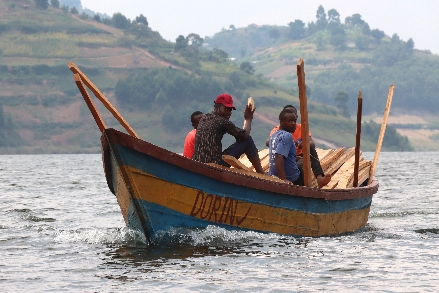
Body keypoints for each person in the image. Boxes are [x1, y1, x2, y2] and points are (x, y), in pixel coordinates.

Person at [193, 93, 264, 174]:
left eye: (230, 110)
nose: (229, 113)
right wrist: (248, 119)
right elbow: (245, 136)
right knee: (248, 140)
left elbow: (239, 135)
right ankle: (261, 172)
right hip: (214, 164)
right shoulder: (222, 121)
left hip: (197, 162)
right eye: (226, 109)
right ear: (216, 108)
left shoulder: (205, 117)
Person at [266, 105, 331, 188]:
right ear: (283, 119)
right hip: (286, 157)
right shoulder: (278, 132)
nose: (293, 123)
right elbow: (271, 145)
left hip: (298, 156)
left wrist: (303, 144)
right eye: (289, 120)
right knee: (298, 170)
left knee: (310, 150)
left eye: (294, 119)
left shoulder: (301, 128)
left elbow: (312, 143)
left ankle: (319, 178)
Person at [268, 109, 303, 185]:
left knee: (300, 160)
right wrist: (283, 179)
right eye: (290, 121)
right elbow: (278, 156)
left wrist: (295, 158)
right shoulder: (287, 136)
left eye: (294, 121)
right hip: (291, 178)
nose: (293, 123)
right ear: (282, 122)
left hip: (273, 175)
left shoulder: (274, 134)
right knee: (303, 165)